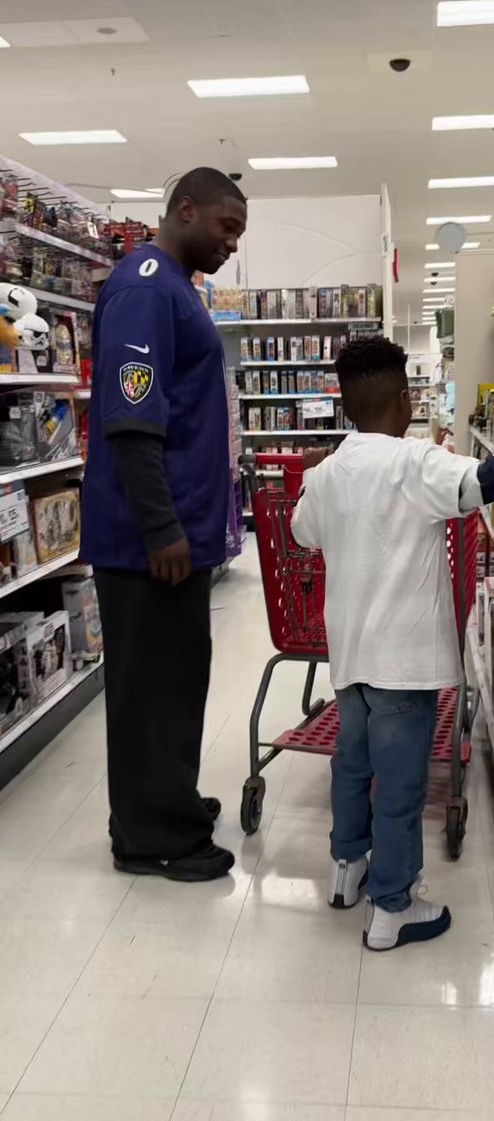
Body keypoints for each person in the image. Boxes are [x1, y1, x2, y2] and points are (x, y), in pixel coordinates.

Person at [291, 336, 494, 950]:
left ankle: (345, 869)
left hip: (349, 657)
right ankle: (393, 908)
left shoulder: (327, 473)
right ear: (404, 401)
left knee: (352, 766)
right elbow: (493, 477)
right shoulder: (416, 465)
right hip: (403, 664)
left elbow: (303, 533)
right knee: (401, 784)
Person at [81, 167, 247, 883]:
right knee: (151, 691)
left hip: (179, 536)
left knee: (177, 683)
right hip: (148, 543)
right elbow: (130, 421)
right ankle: (152, 837)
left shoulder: (176, 286)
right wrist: (161, 530)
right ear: (185, 210)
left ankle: (168, 802)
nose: (231, 244)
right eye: (225, 227)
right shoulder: (146, 286)